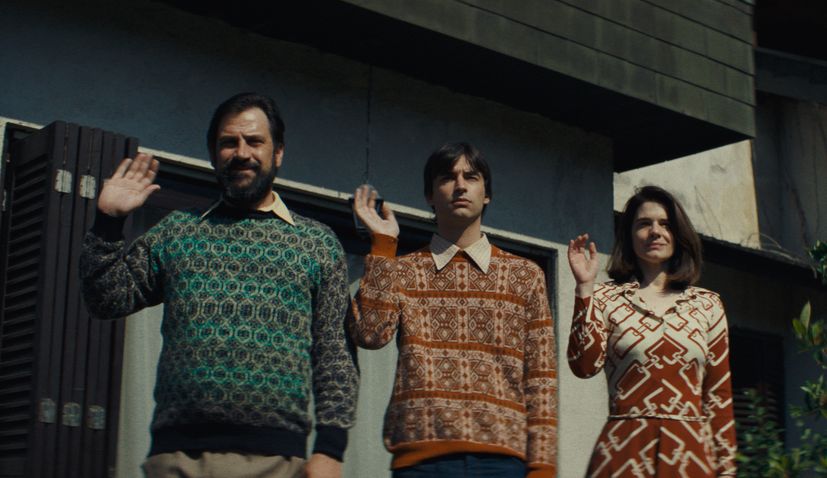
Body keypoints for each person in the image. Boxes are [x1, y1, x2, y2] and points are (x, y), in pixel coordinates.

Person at [80, 92, 358, 478]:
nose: (242, 153)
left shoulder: (318, 243)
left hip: (276, 461)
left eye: (254, 141)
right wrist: (109, 221)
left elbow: (335, 353)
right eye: (229, 142)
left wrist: (331, 449)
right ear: (213, 155)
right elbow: (106, 299)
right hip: (178, 458)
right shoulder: (178, 232)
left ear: (278, 153)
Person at [349, 142, 558, 477]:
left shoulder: (525, 275)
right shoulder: (403, 270)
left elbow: (541, 378)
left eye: (471, 177)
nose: (460, 185)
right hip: (420, 462)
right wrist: (384, 245)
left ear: (487, 194)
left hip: (503, 463)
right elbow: (369, 334)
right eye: (447, 177)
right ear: (430, 195)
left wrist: (543, 467)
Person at [566, 185, 737, 477]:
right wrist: (584, 289)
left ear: (678, 235)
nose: (655, 232)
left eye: (665, 224)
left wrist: (727, 470)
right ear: (629, 235)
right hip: (623, 455)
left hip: (691, 457)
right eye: (644, 224)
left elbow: (718, 395)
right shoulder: (605, 297)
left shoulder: (708, 304)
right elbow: (583, 366)